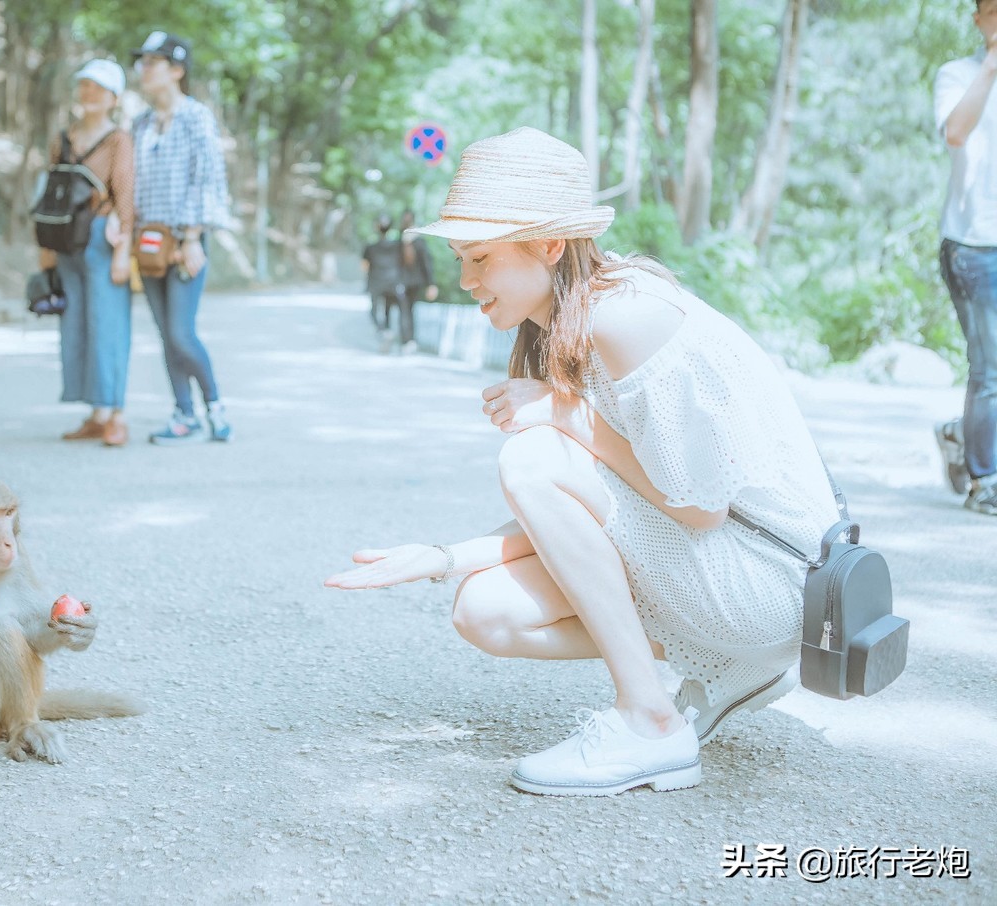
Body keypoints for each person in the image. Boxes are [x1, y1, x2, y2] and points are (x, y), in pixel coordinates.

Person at [325, 128, 841, 797]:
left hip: (772, 584)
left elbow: (700, 508)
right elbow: (599, 507)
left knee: (533, 453)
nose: (464, 280)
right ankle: (728, 669)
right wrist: (445, 557)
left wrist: (562, 415)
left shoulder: (624, 316)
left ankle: (651, 720)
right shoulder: (566, 323)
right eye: (460, 258)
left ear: (549, 244)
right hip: (726, 575)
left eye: (479, 256)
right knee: (483, 610)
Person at [130, 31, 233, 445]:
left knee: (180, 332)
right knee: (163, 332)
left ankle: (214, 405)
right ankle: (183, 413)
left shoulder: (196, 117)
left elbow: (207, 178)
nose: (144, 69)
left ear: (176, 70)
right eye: (142, 62)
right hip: (148, 243)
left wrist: (192, 237)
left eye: (153, 62)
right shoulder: (139, 123)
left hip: (183, 240)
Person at [45, 60, 135, 447]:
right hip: (65, 241)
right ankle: (95, 414)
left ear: (113, 97)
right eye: (84, 85)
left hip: (102, 236)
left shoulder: (118, 140)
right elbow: (50, 193)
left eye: (98, 88)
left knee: (109, 325)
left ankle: (116, 413)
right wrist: (45, 250)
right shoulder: (64, 137)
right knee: (76, 324)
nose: (89, 93)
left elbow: (126, 196)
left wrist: (123, 251)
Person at [933, 0, 997, 515]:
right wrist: (993, 63)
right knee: (990, 368)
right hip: (975, 245)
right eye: (993, 10)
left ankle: (962, 433)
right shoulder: (958, 74)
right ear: (978, 20)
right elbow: (957, 133)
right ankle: (985, 480)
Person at [361, 214, 407, 353]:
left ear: (377, 227)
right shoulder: (397, 245)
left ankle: (383, 331)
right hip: (393, 281)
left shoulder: (370, 246)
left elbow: (364, 266)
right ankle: (399, 338)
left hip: (376, 281)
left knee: (374, 310)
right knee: (394, 310)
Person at [398, 209, 439, 352]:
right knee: (405, 310)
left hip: (414, 282)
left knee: (408, 310)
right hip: (401, 281)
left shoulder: (419, 241)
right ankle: (407, 340)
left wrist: (431, 284)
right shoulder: (399, 240)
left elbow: (426, 263)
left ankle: (409, 340)